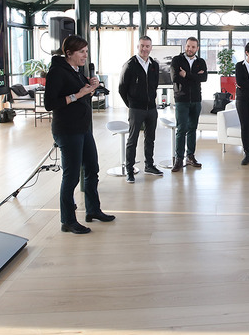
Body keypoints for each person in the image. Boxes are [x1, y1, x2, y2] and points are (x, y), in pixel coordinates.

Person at [44, 35, 115, 234]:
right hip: (67, 131)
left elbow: (82, 93)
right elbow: (50, 104)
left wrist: (91, 88)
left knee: (92, 169)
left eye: (86, 51)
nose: (85, 55)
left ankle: (93, 210)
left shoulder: (76, 71)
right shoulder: (57, 72)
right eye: (81, 52)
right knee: (72, 176)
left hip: (83, 129)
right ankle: (67, 220)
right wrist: (79, 94)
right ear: (69, 53)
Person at [118, 35, 162, 183]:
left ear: (151, 48)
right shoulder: (130, 65)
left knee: (150, 138)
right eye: (142, 46)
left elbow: (154, 85)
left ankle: (149, 165)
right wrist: (131, 104)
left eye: (147, 46)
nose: (144, 49)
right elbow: (121, 88)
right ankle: (129, 171)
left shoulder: (154, 65)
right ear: (138, 47)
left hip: (151, 108)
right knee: (132, 140)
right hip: (136, 109)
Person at [170, 37, 208, 172]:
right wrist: (194, 77)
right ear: (185, 46)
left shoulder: (201, 61)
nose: (189, 49)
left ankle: (190, 156)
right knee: (181, 129)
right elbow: (175, 78)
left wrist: (186, 75)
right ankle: (178, 159)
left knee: (192, 129)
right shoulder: (177, 60)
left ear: (197, 48)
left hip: (196, 100)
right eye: (188, 46)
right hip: (182, 99)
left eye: (193, 47)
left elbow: (204, 78)